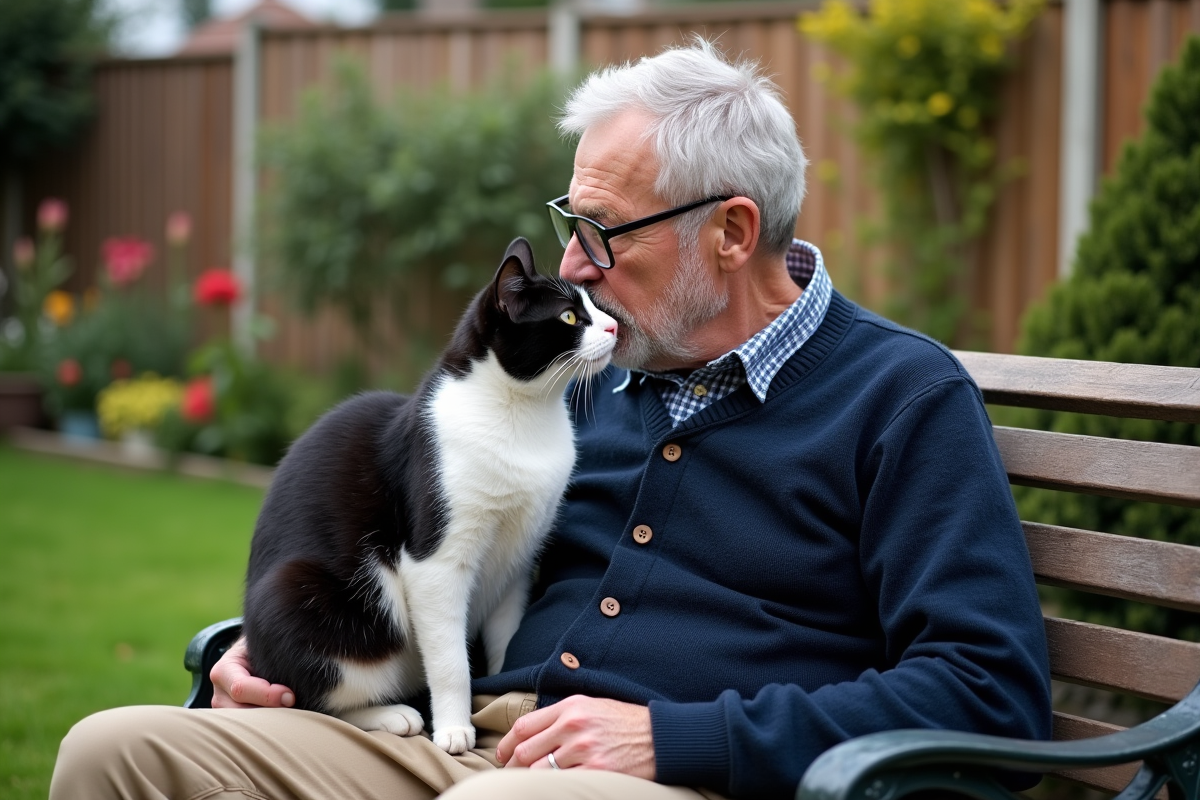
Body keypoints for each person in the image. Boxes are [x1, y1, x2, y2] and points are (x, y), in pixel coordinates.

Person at [50, 39, 1051, 800]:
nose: (574, 267)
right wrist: (272, 651)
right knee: (116, 752)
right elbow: (429, 547)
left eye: (604, 234)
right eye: (574, 224)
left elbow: (987, 689)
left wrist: (675, 736)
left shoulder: (900, 399)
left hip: (679, 776)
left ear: (733, 232)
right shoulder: (578, 378)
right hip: (468, 738)